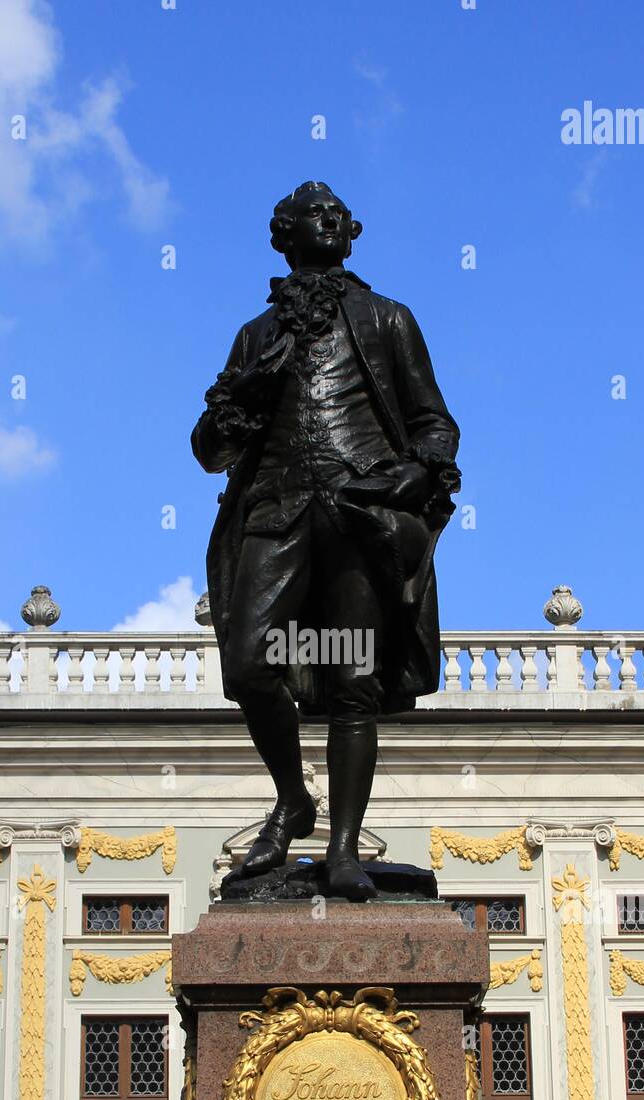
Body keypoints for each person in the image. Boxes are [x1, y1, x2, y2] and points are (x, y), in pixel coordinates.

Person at [192, 182, 460, 900]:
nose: (332, 218)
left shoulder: (387, 318)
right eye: (316, 213)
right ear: (285, 234)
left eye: (340, 213)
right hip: (275, 512)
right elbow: (207, 449)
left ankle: (343, 850)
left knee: (354, 682)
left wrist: (413, 473)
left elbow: (434, 421)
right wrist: (243, 394)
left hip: (358, 515)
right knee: (250, 666)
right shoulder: (255, 335)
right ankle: (292, 799)